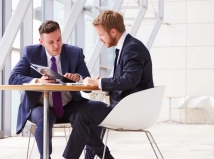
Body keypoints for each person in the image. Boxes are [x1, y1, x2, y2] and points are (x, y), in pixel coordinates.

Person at [8, 20, 108, 159]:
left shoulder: (75, 53)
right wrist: (38, 81)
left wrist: (78, 78)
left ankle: (90, 153)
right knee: (45, 118)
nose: (56, 45)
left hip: (69, 106)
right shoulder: (31, 52)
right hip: (41, 106)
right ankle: (45, 157)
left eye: (59, 39)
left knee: (101, 108)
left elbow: (88, 84)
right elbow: (13, 78)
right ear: (41, 42)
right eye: (51, 42)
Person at [62, 10, 154, 159]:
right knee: (76, 117)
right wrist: (100, 84)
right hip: (126, 107)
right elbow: (125, 80)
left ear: (113, 31)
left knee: (82, 117)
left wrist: (99, 82)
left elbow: (130, 80)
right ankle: (105, 157)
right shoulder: (125, 47)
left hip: (133, 110)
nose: (99, 39)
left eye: (101, 35)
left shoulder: (132, 48)